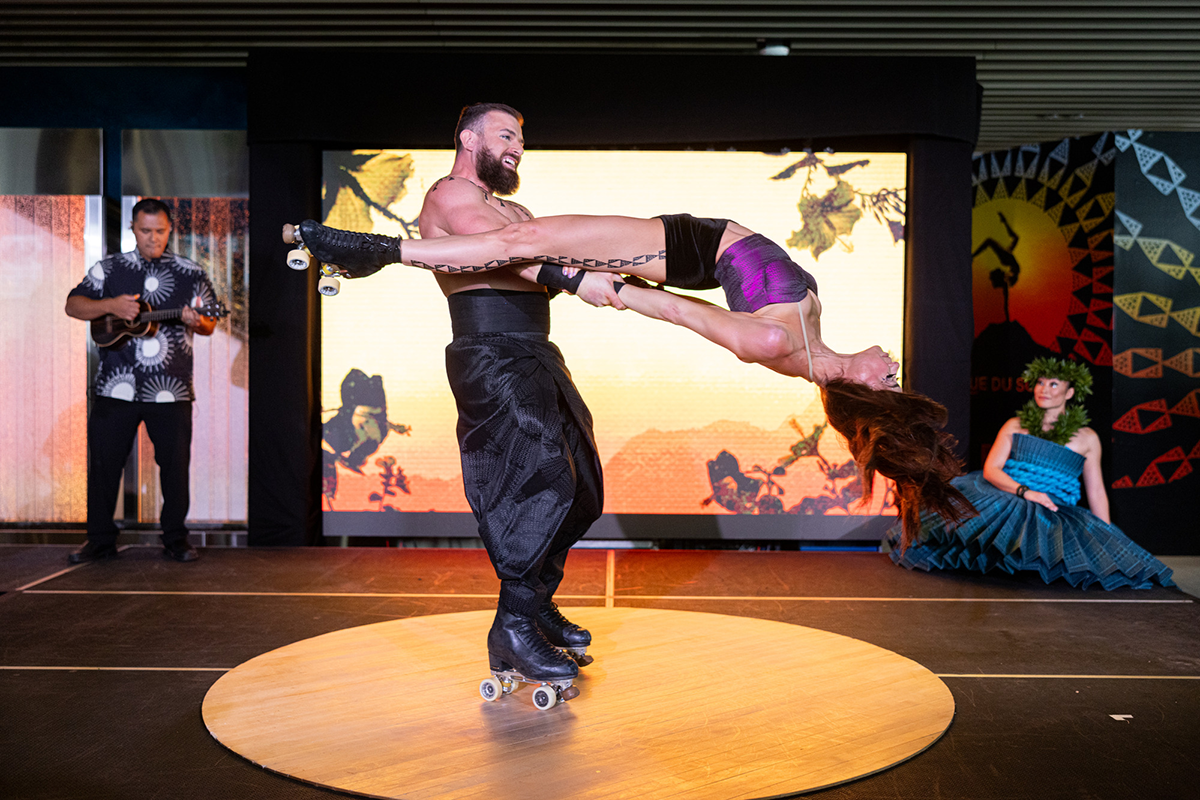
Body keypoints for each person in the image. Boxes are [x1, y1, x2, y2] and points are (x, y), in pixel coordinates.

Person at [287, 205, 974, 549]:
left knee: (520, 243)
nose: (892, 362)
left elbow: (677, 310)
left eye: (894, 375)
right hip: (684, 243)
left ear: (872, 389)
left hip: (678, 248)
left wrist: (586, 280)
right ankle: (375, 254)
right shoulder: (808, 343)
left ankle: (374, 251)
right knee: (519, 242)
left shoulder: (774, 338)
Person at [417, 103, 621, 687]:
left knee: (580, 484)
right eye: (506, 135)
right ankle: (513, 625)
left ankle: (531, 607)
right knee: (535, 479)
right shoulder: (449, 195)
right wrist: (572, 275)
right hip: (489, 351)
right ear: (467, 138)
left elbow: (538, 254)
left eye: (521, 139)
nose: (517, 148)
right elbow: (507, 253)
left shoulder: (516, 209)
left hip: (536, 350)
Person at [887, 357, 1175, 589]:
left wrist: (1107, 536)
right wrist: (1027, 492)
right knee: (990, 518)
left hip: (1054, 508)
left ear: (1070, 392)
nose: (1044, 389)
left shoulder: (1087, 438)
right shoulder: (1015, 425)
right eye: (1040, 382)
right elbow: (991, 470)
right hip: (1010, 494)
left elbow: (1096, 490)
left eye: (1053, 384)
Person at [65, 198, 219, 564]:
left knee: (175, 468)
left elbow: (210, 321)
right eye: (146, 231)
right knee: (105, 466)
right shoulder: (110, 269)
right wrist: (111, 306)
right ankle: (100, 541)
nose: (153, 238)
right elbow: (73, 305)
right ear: (133, 229)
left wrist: (198, 321)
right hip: (114, 386)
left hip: (172, 388)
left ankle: (176, 539)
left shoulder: (190, 272)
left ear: (170, 230)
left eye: (160, 231)